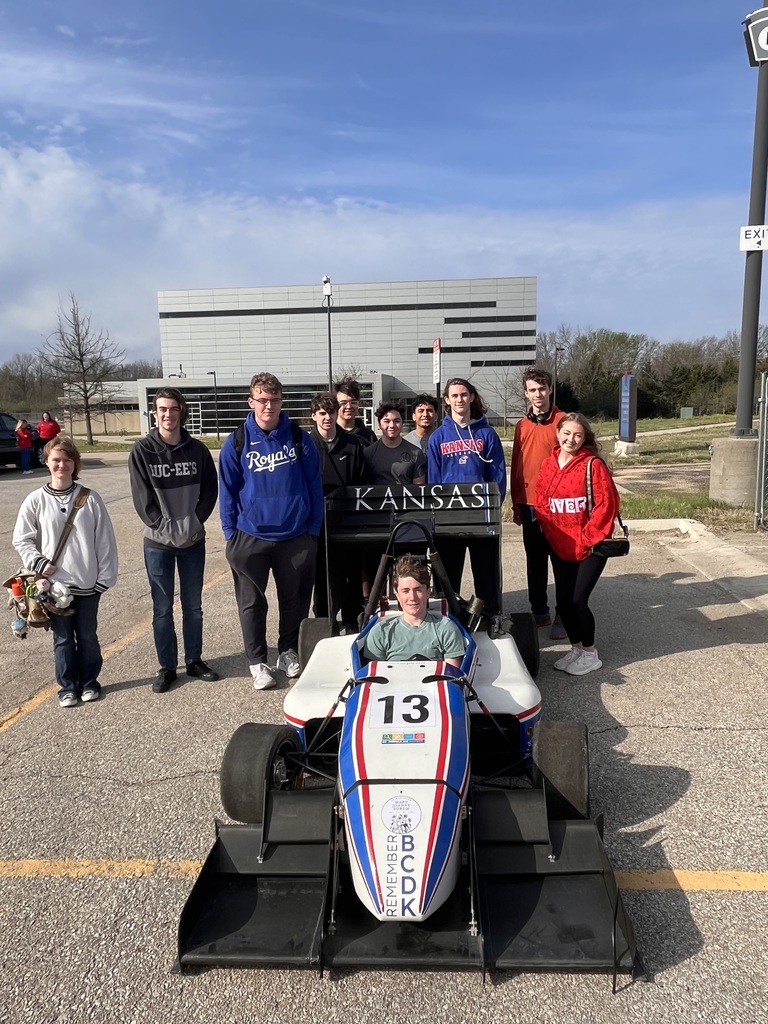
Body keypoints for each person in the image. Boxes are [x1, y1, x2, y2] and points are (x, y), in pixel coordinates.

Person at [219, 372, 323, 690]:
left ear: (281, 402)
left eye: (274, 399)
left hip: (295, 535)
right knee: (252, 603)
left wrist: (312, 531)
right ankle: (257, 662)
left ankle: (288, 652)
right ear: (251, 402)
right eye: (262, 399)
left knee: (294, 599)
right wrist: (229, 534)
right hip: (250, 536)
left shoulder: (298, 437)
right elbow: (227, 489)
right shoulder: (237, 441)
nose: (268, 406)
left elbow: (313, 485)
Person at [12, 436, 118, 707]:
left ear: (75, 463)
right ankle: (68, 686)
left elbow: (104, 540)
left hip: (87, 583)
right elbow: (21, 538)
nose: (62, 465)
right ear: (46, 462)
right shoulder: (35, 500)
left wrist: (104, 579)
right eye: (56, 459)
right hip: (53, 587)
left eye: (67, 459)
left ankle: (90, 682)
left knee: (87, 637)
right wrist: (38, 563)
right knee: (62, 639)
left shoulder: (90, 499)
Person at [128, 387, 220, 694]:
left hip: (193, 540)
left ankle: (194, 660)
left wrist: (194, 521)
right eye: (162, 409)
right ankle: (167, 667)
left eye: (173, 408)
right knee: (162, 608)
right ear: (155, 413)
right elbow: (143, 501)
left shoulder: (198, 451)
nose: (167, 414)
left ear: (182, 412)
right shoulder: (142, 451)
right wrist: (164, 527)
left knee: (193, 606)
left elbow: (209, 491)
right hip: (158, 544)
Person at [534, 413, 620, 677]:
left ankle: (591, 653)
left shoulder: (592, 465)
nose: (572, 439)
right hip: (560, 545)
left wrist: (587, 538)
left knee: (578, 599)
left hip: (589, 546)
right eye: (567, 433)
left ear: (585, 438)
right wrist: (550, 532)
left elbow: (607, 505)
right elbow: (541, 501)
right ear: (558, 433)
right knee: (563, 601)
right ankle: (577, 648)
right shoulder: (549, 464)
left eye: (578, 435)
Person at [427, 377, 506, 615]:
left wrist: (492, 509)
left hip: (481, 517)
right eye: (454, 396)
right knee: (447, 574)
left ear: (471, 397)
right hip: (450, 517)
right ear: (447, 401)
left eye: (464, 394)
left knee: (486, 573)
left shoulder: (487, 434)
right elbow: (433, 480)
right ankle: (449, 618)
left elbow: (498, 476)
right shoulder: (438, 437)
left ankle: (490, 617)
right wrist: (438, 515)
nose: (459, 399)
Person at [510, 368, 566, 639]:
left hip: (558, 505)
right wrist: (516, 502)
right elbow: (517, 465)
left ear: (550, 390)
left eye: (542, 389)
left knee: (562, 561)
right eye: (532, 389)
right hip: (530, 504)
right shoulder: (522, 425)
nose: (538, 394)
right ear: (526, 393)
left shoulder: (563, 421)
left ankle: (563, 614)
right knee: (535, 562)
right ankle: (539, 611)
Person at [308, 392, 368, 632]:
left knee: (352, 576)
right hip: (316, 524)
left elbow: (362, 484)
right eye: (322, 413)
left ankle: (353, 621)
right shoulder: (305, 446)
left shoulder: (353, 445)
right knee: (322, 578)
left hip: (348, 524)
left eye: (330, 412)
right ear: (313, 416)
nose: (327, 417)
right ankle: (325, 622)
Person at [362, 554, 465, 667]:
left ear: (428, 592)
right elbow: (375, 678)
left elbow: (452, 676)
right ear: (397, 595)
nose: (412, 597)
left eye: (418, 590)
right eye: (406, 591)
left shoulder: (446, 628)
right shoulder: (380, 632)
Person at [364, 402, 427, 485]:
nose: (392, 425)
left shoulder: (416, 453)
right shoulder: (368, 453)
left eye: (396, 421)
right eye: (387, 421)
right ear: (379, 424)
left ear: (402, 424)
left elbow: (419, 490)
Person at [334, 378, 376, 445]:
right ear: (335, 405)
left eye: (353, 402)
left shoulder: (368, 436)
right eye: (343, 403)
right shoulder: (331, 434)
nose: (349, 407)